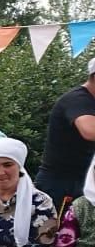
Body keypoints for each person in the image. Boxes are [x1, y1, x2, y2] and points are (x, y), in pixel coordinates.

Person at [35, 57, 95, 210]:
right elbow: (89, 131)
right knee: (60, 233)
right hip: (61, 184)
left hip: (82, 181)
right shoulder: (78, 99)